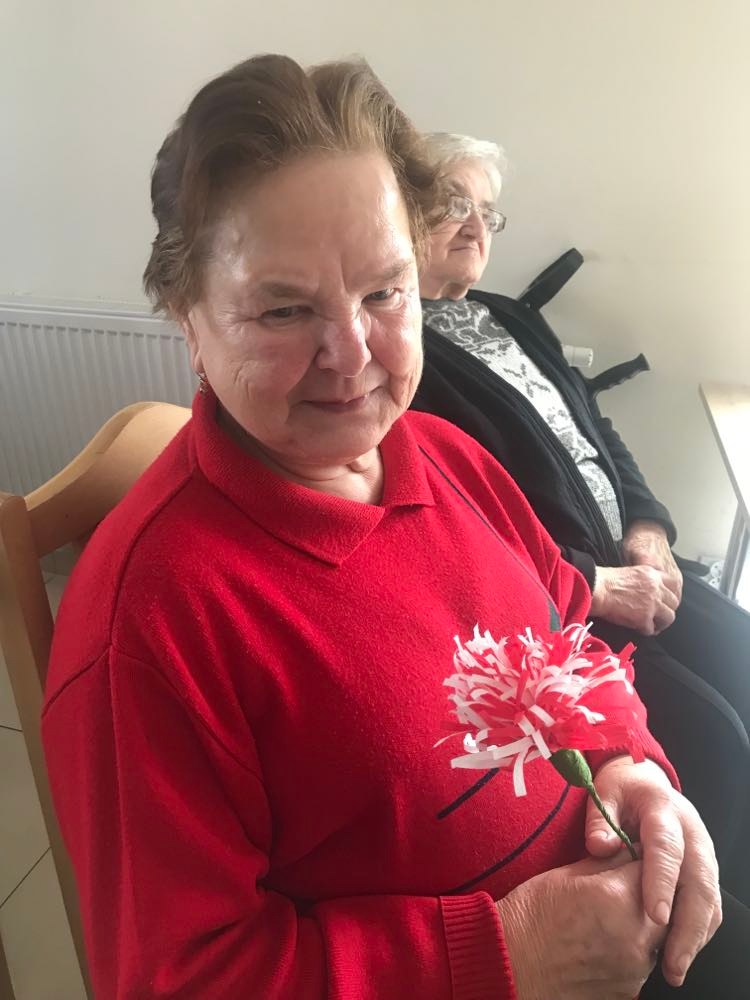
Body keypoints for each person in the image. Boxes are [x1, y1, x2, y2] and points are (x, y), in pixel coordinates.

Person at [41, 56, 728, 1000]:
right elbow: (183, 981)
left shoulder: (443, 455)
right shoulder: (150, 629)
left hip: (623, 923)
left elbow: (568, 640)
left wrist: (631, 768)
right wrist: (512, 952)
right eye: (285, 309)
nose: (352, 356)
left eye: (383, 292)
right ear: (188, 321)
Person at [413, 131, 750, 901]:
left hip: (634, 565)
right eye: (453, 204)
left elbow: (597, 426)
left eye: (489, 212)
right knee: (719, 744)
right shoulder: (404, 355)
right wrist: (598, 581)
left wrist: (649, 529)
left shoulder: (507, 315)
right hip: (567, 611)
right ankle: (707, 919)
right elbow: (463, 527)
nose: (474, 226)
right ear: (402, 210)